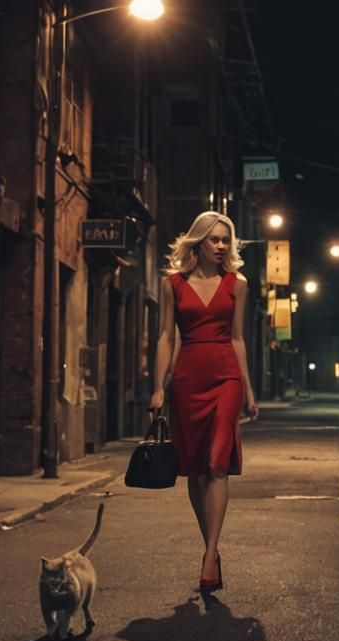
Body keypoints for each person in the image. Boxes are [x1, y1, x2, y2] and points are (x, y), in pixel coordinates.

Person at [149, 211, 259, 593]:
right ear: (198, 242)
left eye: (226, 240)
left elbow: (238, 338)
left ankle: (210, 555)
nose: (222, 246)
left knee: (216, 461)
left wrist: (247, 388)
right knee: (195, 468)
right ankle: (210, 545)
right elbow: (166, 337)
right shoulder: (173, 285)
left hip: (225, 375)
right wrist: (158, 386)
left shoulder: (238, 284)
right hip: (187, 378)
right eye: (214, 239)